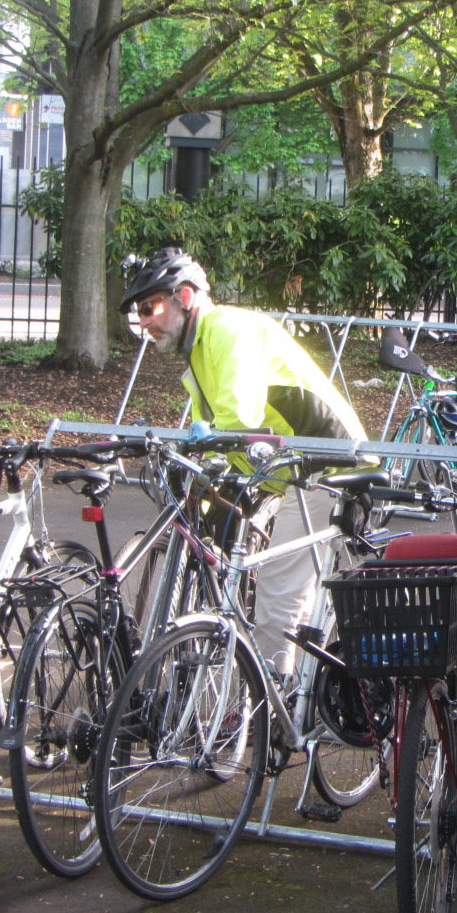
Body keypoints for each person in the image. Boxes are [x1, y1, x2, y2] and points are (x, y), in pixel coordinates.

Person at [120, 247, 367, 670]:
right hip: (287, 471)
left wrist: (206, 455)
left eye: (149, 307)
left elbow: (237, 420)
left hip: (328, 466)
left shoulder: (227, 328)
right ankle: (292, 686)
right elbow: (214, 434)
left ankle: (277, 713)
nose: (143, 322)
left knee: (275, 589)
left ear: (184, 296)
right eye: (137, 313)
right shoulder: (198, 349)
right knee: (263, 580)